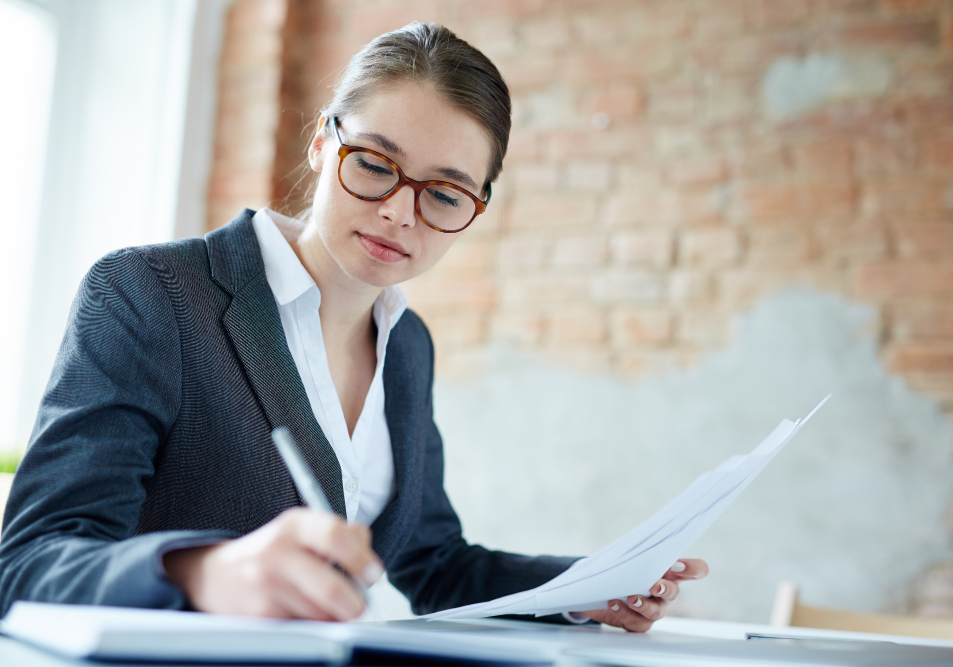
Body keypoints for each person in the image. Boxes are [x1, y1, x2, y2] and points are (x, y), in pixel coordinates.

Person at [0, 23, 707, 632]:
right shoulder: (149, 296)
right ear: (321, 145)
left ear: (477, 206)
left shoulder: (408, 346)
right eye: (374, 163)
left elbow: (431, 564)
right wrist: (203, 571)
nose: (401, 212)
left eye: (444, 193)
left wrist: (589, 586)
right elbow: (27, 563)